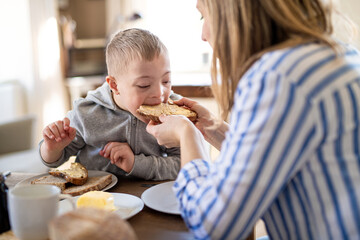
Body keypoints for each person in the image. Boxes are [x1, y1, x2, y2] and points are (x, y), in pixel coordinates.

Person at [146, 0, 360, 239]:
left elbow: (214, 224)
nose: (203, 35)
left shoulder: (277, 77)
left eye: (203, 16)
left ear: (233, 13)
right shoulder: (337, 54)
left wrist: (187, 135)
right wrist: (213, 129)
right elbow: (272, 156)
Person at [40, 28, 180, 180]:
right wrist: (51, 149)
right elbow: (55, 161)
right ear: (114, 85)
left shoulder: (173, 114)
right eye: (144, 85)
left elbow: (184, 165)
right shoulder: (86, 112)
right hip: (96, 198)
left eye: (166, 81)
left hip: (149, 196)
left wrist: (136, 163)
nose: (160, 94)